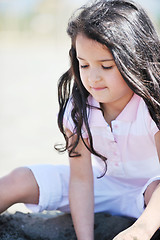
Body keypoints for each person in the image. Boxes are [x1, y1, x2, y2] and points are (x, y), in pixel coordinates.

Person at [0, 0, 160, 239]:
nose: (92, 77)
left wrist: (142, 229)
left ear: (134, 60)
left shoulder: (152, 107)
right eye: (83, 65)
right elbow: (81, 181)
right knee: (19, 179)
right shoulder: (79, 109)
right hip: (102, 185)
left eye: (106, 66)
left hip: (151, 192)